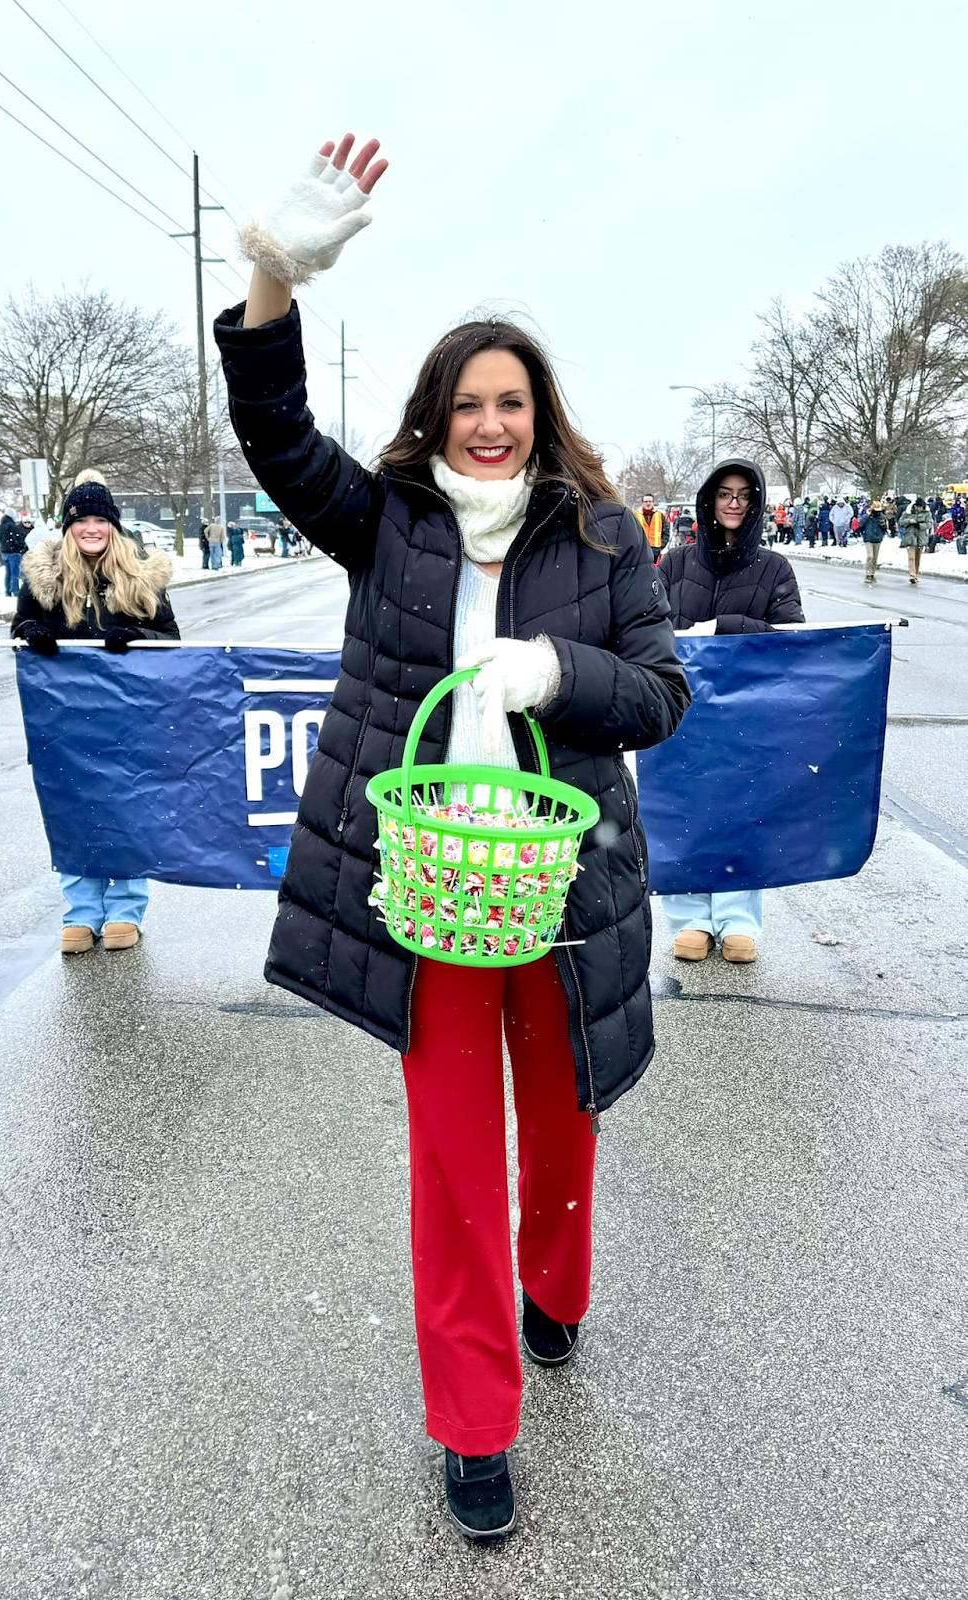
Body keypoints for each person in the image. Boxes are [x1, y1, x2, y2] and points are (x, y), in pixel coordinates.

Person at [216, 131, 691, 1542]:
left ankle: (558, 1291)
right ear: (435, 415)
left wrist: (562, 674)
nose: (491, 424)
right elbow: (277, 439)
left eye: (513, 403)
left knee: (561, 1124)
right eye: (469, 403)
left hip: (561, 889)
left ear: (541, 416)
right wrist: (266, 279)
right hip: (427, 896)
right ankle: (473, 1424)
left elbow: (663, 694)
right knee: (450, 1161)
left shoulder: (607, 540)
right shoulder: (390, 525)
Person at [10, 470, 180, 953]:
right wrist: (32, 632)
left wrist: (137, 638)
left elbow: (173, 641)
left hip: (127, 720)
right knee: (72, 813)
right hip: (63, 722)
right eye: (81, 519)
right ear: (68, 526)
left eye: (99, 520)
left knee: (125, 813)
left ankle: (125, 909)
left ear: (113, 526)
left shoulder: (141, 577)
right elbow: (21, 625)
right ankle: (81, 912)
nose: (91, 528)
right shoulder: (45, 579)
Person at [654, 458, 804, 964]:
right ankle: (692, 917)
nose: (733, 503)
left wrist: (729, 625)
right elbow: (646, 621)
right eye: (724, 494)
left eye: (743, 494)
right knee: (686, 811)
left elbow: (791, 637)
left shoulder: (773, 568)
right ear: (709, 501)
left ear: (757, 503)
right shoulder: (674, 564)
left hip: (747, 711)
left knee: (742, 812)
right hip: (682, 705)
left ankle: (739, 920)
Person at [898, 496, 932, 585]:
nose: (919, 509)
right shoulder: (907, 512)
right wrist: (909, 521)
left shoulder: (927, 514)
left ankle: (916, 574)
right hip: (910, 536)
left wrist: (920, 526)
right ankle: (912, 575)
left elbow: (929, 524)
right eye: (917, 506)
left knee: (918, 557)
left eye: (921, 507)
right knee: (911, 557)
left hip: (920, 537)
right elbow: (900, 522)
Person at [0, 510, 27, 597]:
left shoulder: (1, 526)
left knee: (8, 572)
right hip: (14, 552)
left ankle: (8, 590)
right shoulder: (12, 527)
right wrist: (21, 546)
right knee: (15, 573)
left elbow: (0, 539)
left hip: (4, 552)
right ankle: (15, 590)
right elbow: (18, 540)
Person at [861, 500, 887, 583]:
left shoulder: (881, 517)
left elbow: (884, 528)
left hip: (877, 539)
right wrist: (867, 516)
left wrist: (883, 526)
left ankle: (872, 574)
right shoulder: (867, 516)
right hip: (868, 538)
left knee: (875, 558)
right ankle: (868, 573)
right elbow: (861, 524)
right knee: (870, 556)